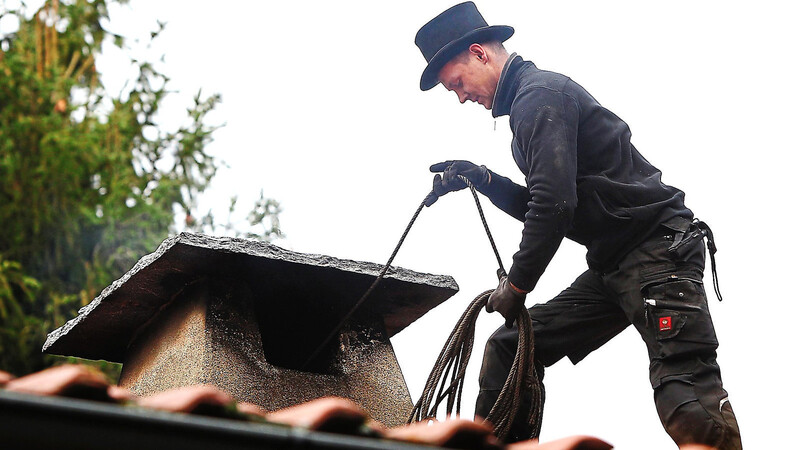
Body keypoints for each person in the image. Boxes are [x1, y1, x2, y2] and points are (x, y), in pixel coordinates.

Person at [414, 3, 742, 449]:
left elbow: (554, 206)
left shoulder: (539, 97)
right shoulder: (529, 108)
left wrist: (517, 285)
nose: (461, 97)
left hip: (657, 252)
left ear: (480, 54)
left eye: (457, 83)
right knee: (511, 348)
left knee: (685, 392)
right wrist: (485, 180)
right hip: (613, 264)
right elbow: (549, 200)